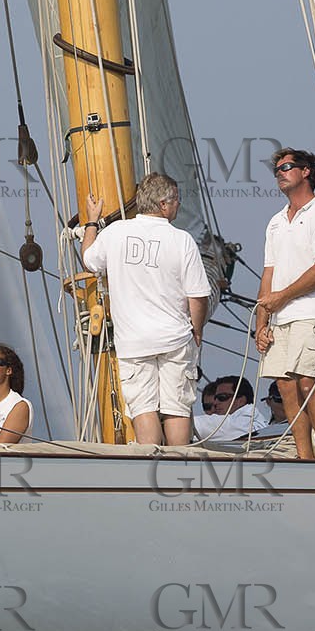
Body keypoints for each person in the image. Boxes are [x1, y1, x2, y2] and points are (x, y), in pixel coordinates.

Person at [77, 172, 211, 446]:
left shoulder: (115, 233)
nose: (178, 206)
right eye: (176, 201)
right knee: (177, 408)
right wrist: (196, 330)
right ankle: (181, 467)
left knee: (144, 409)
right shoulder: (181, 240)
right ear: (164, 204)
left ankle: (152, 469)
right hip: (175, 338)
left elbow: (89, 261)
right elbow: (198, 296)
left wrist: (91, 221)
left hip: (134, 341)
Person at [255, 147, 315, 459]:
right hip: (280, 317)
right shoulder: (276, 222)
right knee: (286, 388)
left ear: (306, 171)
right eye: (276, 169)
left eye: (287, 166)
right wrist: (261, 324)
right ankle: (304, 457)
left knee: (308, 382)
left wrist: (281, 297)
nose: (280, 173)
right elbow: (269, 275)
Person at [194, 376, 267, 441]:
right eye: (216, 398)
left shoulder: (244, 421)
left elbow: (195, 425)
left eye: (222, 397)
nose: (215, 402)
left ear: (241, 401)